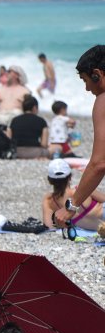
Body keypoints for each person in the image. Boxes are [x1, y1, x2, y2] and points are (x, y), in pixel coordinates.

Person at [54, 45, 105, 229]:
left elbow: (99, 163)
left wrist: (72, 205)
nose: (86, 88)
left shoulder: (103, 101)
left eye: (85, 80)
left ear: (97, 74)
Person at [43, 158, 105, 235]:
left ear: (49, 180)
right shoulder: (81, 190)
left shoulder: (49, 200)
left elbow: (49, 227)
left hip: (92, 228)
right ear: (70, 177)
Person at [7, 95, 49, 159]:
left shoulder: (14, 120)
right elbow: (44, 144)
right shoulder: (41, 121)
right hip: (36, 153)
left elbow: (8, 139)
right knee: (53, 150)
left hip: (16, 152)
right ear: (34, 108)